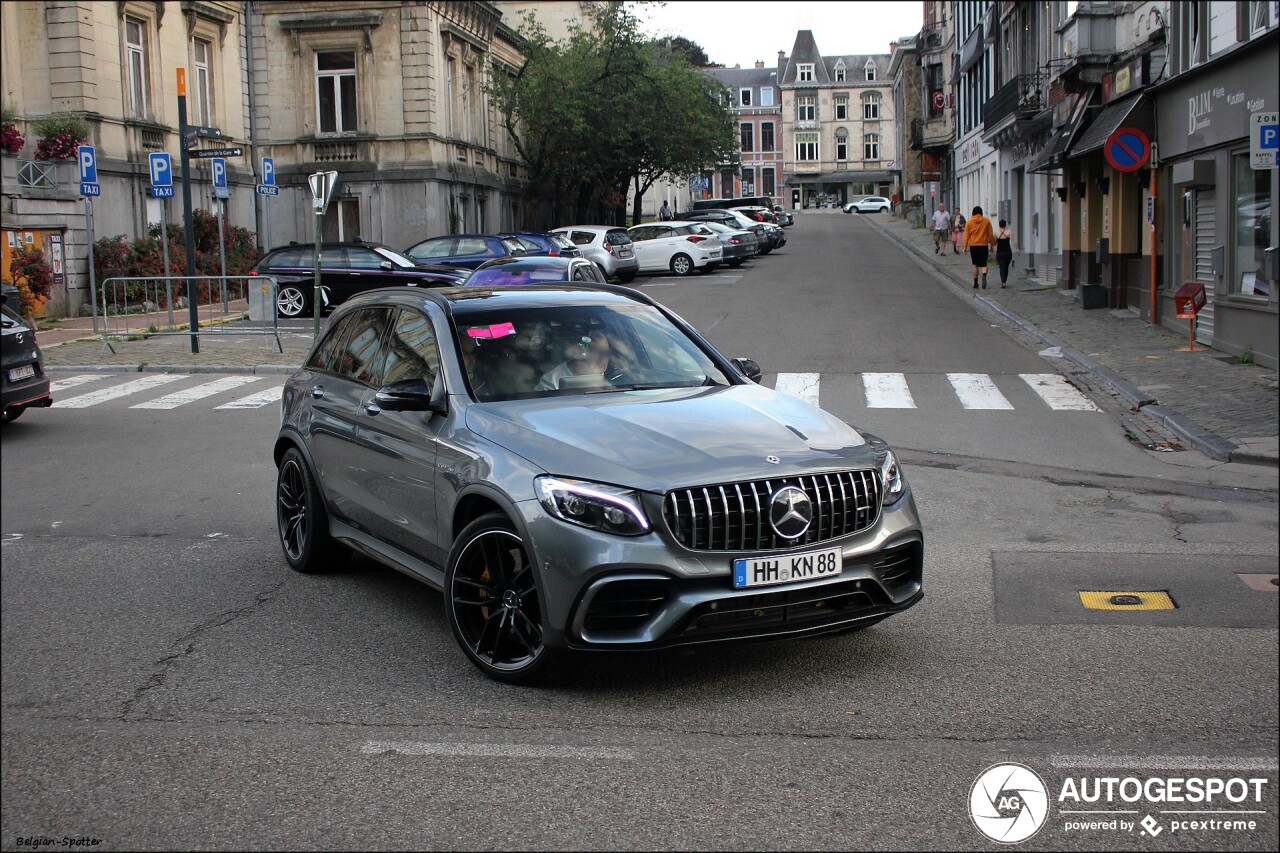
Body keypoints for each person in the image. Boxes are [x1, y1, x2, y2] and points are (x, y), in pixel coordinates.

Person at [536, 328, 615, 390]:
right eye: (598, 352)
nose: (604, 358)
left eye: (606, 353)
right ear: (580, 353)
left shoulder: (616, 377)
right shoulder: (551, 382)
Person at [962, 205, 997, 289]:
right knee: (984, 263)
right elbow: (990, 235)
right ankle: (984, 275)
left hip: (973, 245)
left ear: (973, 213)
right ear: (981, 212)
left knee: (975, 264)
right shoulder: (986, 221)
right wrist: (992, 245)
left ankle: (975, 283)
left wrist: (965, 247)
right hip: (983, 245)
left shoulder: (969, 222)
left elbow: (966, 236)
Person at [994, 218, 1019, 288]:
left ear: (999, 225)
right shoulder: (1009, 232)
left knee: (1002, 267)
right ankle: (1005, 281)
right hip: (1008, 252)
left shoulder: (996, 233)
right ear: (1005, 225)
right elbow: (1013, 241)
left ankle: (1003, 282)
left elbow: (995, 243)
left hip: (1000, 253)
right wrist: (1017, 249)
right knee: (1006, 267)